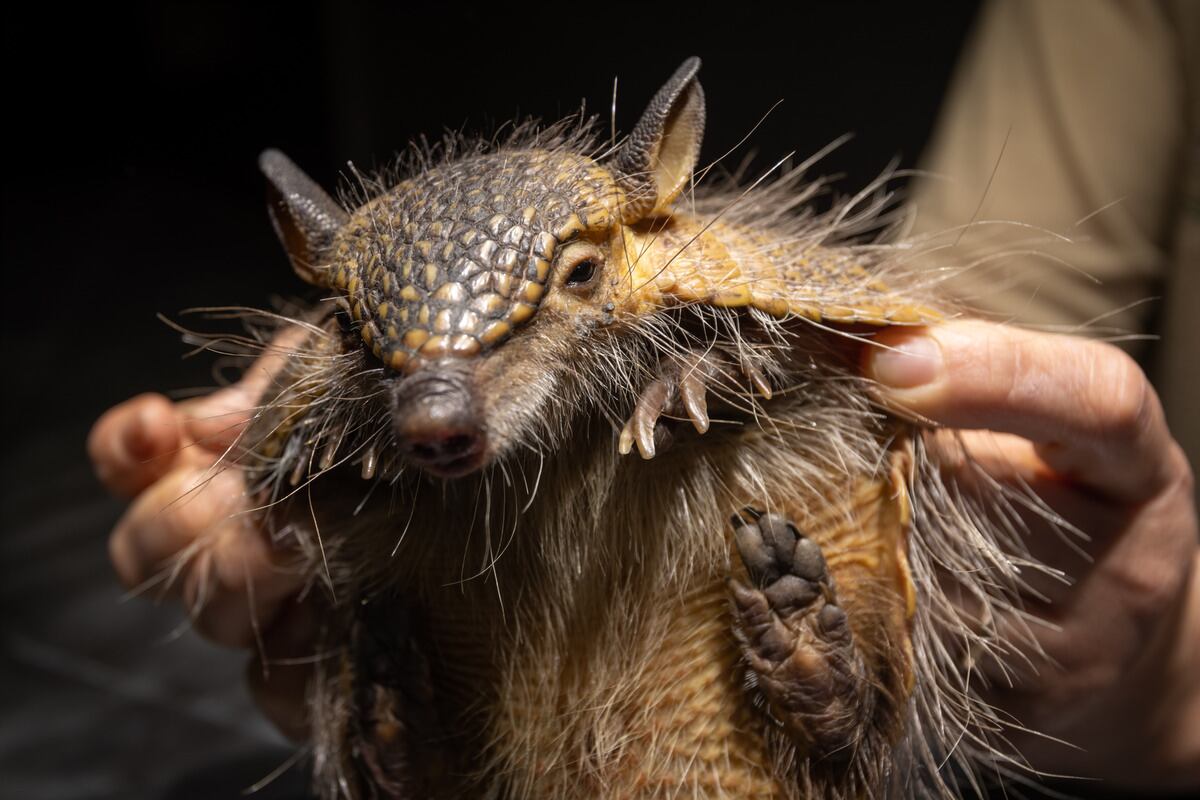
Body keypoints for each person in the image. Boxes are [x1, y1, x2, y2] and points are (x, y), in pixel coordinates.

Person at [89, 0, 1200, 791]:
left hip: (728, 733)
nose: (440, 413)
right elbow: (981, 314)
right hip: (495, 720)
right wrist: (276, 493)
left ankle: (825, 698)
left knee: (819, 647)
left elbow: (884, 364)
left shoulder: (688, 289)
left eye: (573, 281)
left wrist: (1165, 688)